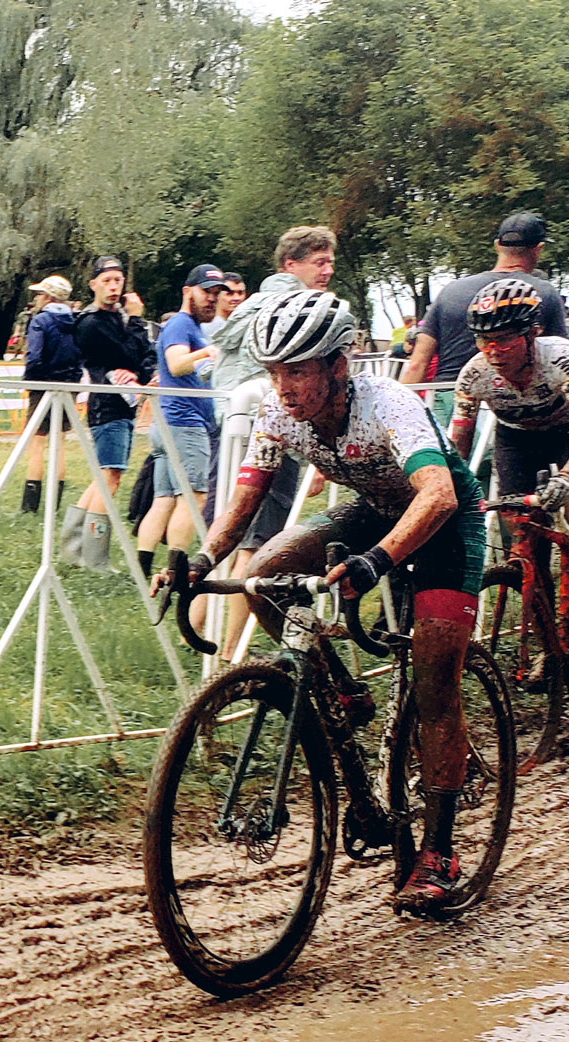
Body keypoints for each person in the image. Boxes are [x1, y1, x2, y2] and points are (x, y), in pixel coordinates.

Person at [157, 289, 486, 916]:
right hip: (374, 509)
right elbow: (244, 505)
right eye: (274, 371)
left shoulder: (389, 404)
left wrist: (378, 561)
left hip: (444, 521)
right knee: (266, 573)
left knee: (435, 677)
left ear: (338, 367)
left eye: (298, 370)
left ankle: (440, 853)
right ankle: (343, 693)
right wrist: (202, 563)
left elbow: (439, 494)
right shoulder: (278, 414)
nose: (283, 386)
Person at [449, 278, 569, 657]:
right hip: (517, 442)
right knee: (522, 538)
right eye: (482, 340)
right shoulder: (474, 376)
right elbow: (458, 445)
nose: (493, 351)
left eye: (504, 339)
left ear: (532, 334)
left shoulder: (561, 358)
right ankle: (546, 644)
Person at [206, 226, 338, 657]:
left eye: (330, 261)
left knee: (225, 534)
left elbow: (219, 350)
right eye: (319, 262)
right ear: (290, 264)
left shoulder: (249, 306)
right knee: (257, 545)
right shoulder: (299, 307)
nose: (327, 270)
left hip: (229, 426)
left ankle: (204, 638)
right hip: (269, 428)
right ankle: (230, 652)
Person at [400, 211, 569, 426]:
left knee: (449, 459)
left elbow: (416, 365)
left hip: (448, 402)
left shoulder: (451, 291)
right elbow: (562, 361)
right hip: (510, 407)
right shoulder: (543, 293)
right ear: (538, 249)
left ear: (497, 245)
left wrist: (398, 419)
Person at [68, 255, 159, 570]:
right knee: (111, 477)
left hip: (124, 406)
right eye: (106, 281)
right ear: (93, 284)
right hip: (106, 407)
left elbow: (145, 356)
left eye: (117, 280)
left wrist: (134, 332)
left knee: (106, 475)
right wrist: (136, 321)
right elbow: (129, 353)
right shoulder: (91, 323)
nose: (113, 286)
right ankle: (93, 556)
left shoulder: (117, 319)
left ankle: (73, 547)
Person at [136, 264, 226, 578]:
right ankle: (175, 572)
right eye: (206, 292)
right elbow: (175, 366)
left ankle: (142, 570)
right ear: (187, 291)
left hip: (166, 423)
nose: (212, 299)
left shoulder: (189, 327)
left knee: (163, 500)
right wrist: (208, 354)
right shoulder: (180, 325)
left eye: (216, 294)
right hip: (184, 424)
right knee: (193, 496)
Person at [19, 275, 83, 532]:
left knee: (37, 444)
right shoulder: (76, 322)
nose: (36, 298)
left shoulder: (40, 320)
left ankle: (30, 504)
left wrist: (30, 379)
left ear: (47, 297)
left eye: (39, 294)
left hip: (42, 385)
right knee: (59, 443)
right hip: (69, 386)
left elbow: (34, 356)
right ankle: (54, 503)